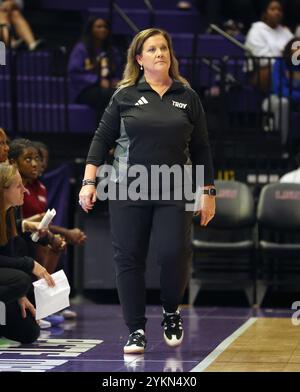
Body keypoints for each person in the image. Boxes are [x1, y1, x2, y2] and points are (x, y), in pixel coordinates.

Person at [79, 28, 216, 354]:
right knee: (128, 258)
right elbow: (101, 140)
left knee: (173, 253)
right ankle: (136, 330)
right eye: (152, 49)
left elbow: (202, 148)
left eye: (164, 48)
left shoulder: (187, 95)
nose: (159, 53)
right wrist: (89, 182)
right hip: (129, 185)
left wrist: (208, 191)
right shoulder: (124, 95)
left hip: (175, 186)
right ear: (139, 59)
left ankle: (171, 311)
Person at [0, 163, 55, 343]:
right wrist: (29, 264)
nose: (25, 190)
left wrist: (19, 295)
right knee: (20, 279)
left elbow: (10, 253)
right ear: (3, 190)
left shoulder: (9, 213)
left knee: (29, 333)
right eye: (18, 186)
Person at [68, 16, 122, 122]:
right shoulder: (81, 48)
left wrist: (115, 81)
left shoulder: (111, 50)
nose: (103, 29)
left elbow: (117, 71)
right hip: (85, 90)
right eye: (99, 26)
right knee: (108, 96)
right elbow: (74, 72)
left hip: (108, 87)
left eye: (105, 27)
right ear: (91, 29)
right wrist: (97, 81)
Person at [245, 0, 294, 92]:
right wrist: (284, 55)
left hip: (287, 70)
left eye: (279, 10)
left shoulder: (285, 31)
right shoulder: (256, 30)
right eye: (272, 9)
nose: (277, 12)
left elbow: (296, 52)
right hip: (262, 73)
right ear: (265, 13)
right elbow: (262, 60)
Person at [262, 37, 300, 144]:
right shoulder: (279, 63)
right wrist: (297, 97)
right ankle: (281, 144)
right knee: (283, 103)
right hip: (277, 99)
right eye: (297, 47)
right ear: (289, 49)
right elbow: (278, 88)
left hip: (296, 100)